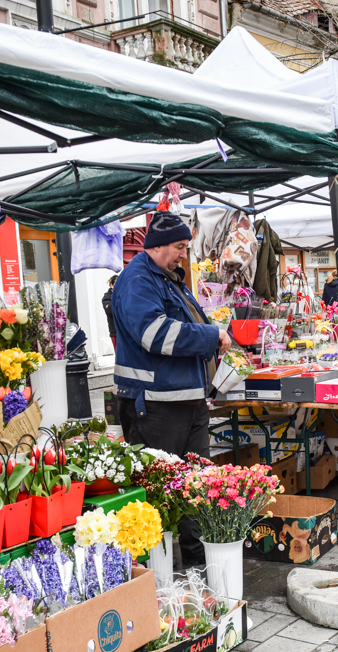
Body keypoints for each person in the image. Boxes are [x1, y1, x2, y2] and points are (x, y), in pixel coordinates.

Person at [112, 212, 231, 567]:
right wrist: (210, 336)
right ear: (157, 245)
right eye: (179, 246)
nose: (183, 254)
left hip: (186, 402)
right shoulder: (137, 280)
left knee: (195, 488)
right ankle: (156, 575)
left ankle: (198, 567)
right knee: (161, 495)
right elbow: (155, 334)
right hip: (155, 407)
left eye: (185, 247)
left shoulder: (168, 278)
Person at [101, 275, 118, 351]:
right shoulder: (107, 297)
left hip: (127, 330)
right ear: (111, 285)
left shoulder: (125, 294)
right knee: (119, 353)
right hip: (115, 331)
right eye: (116, 283)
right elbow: (109, 310)